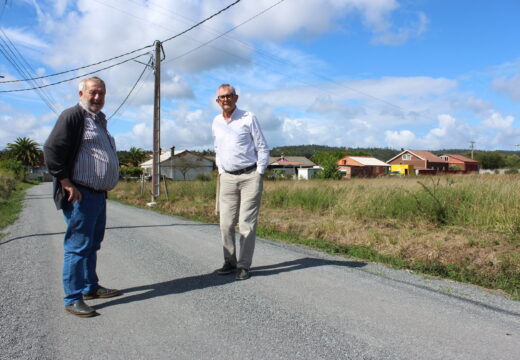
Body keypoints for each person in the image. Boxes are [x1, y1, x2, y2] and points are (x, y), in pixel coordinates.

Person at [44, 76, 121, 317]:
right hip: (80, 194)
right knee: (77, 247)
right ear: (81, 94)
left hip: (97, 195)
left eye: (101, 93)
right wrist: (66, 182)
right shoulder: (73, 116)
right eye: (93, 92)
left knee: (92, 245)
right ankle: (72, 298)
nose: (97, 97)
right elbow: (51, 150)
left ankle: (90, 288)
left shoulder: (99, 120)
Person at [212, 84, 270, 280]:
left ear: (236, 98)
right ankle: (230, 261)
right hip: (227, 177)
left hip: (249, 177)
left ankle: (244, 265)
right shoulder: (216, 121)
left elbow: (262, 147)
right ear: (217, 101)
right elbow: (217, 149)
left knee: (246, 224)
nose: (225, 99)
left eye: (229, 96)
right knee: (225, 223)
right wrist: (221, 171)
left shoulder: (248, 118)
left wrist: (259, 172)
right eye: (222, 97)